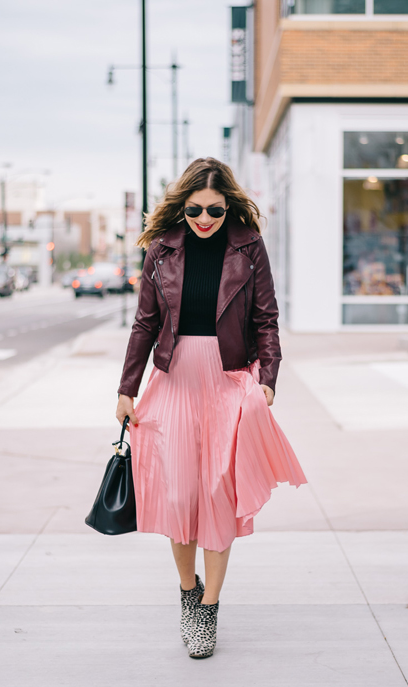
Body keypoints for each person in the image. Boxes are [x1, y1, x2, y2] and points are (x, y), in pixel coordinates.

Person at [116, 157, 306, 659]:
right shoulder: (162, 250)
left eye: (215, 211)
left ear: (229, 208)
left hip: (227, 380)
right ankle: (187, 592)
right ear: (182, 207)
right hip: (175, 379)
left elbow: (267, 319)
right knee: (179, 495)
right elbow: (143, 323)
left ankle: (210, 608)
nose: (205, 219)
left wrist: (268, 380)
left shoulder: (249, 246)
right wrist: (126, 389)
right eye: (196, 209)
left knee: (218, 494)